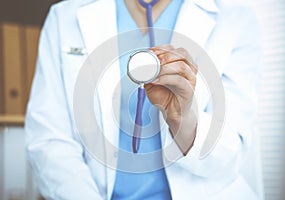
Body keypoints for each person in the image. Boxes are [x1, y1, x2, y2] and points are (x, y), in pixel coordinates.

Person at [25, 0, 261, 199]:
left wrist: (182, 117)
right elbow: (50, 138)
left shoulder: (236, 18)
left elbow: (230, 154)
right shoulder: (64, 16)